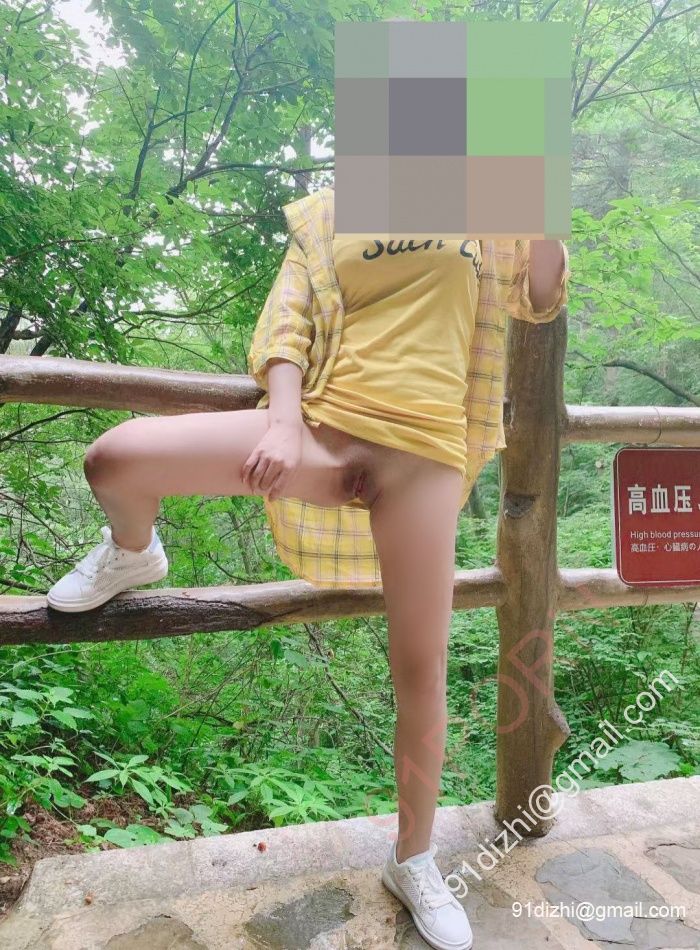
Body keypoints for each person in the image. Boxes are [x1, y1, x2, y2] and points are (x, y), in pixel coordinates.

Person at [46, 184, 569, 950]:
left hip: (425, 453)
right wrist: (284, 424)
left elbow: (540, 297)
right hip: (324, 429)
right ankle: (134, 551)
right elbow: (284, 328)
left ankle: (413, 858)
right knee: (115, 458)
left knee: (420, 667)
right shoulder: (330, 211)